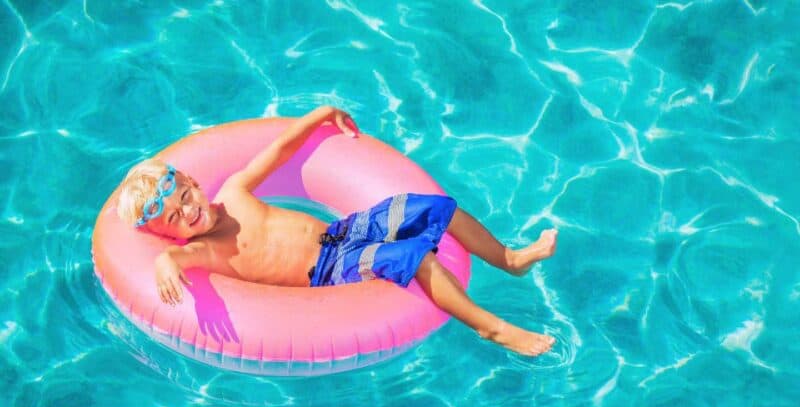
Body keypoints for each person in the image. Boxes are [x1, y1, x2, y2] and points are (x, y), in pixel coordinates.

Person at [116, 106, 558, 356]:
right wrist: (163, 261)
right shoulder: (207, 250)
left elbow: (275, 152)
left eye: (184, 199)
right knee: (416, 259)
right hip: (329, 269)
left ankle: (509, 259)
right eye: (174, 219)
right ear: (171, 234)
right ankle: (492, 328)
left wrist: (318, 116)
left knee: (433, 208)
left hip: (343, 231)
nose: (187, 212)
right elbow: (176, 260)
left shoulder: (232, 193)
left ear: (192, 182)